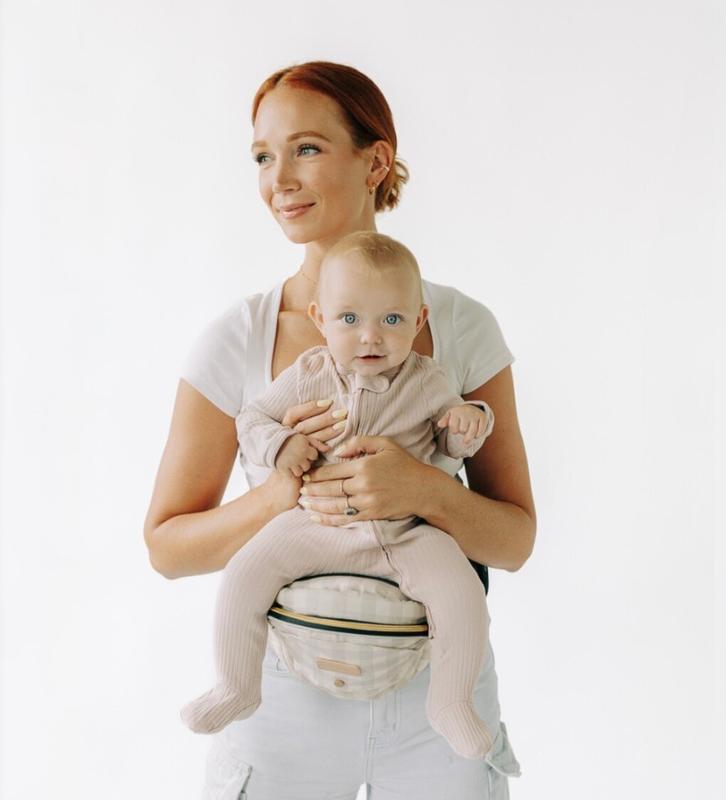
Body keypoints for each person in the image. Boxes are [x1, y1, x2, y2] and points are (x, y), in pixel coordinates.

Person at [144, 60, 536, 799]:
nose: (278, 179)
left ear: (376, 160)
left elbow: (514, 540)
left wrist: (419, 488)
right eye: (263, 156)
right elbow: (167, 548)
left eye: (308, 149)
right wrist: (282, 494)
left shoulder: (456, 327)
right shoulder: (239, 338)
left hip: (434, 696)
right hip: (282, 702)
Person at [180, 231, 496, 760]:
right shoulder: (308, 374)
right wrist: (282, 446)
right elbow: (252, 419)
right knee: (246, 572)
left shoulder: (426, 378)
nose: (370, 337)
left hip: (404, 531)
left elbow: (452, 435)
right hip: (317, 524)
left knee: (462, 594)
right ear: (320, 319)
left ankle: (451, 701)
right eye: (349, 320)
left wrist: (470, 422)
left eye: (391, 320)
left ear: (418, 322)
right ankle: (236, 685)